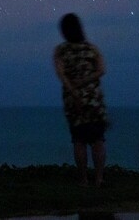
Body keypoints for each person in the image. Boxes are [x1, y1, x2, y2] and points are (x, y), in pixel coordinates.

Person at [53, 12, 108, 187]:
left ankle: (83, 179)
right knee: (97, 140)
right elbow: (101, 70)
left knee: (79, 140)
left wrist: (74, 91)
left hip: (73, 100)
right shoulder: (91, 49)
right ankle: (99, 178)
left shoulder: (61, 50)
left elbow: (61, 74)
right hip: (93, 99)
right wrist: (86, 81)